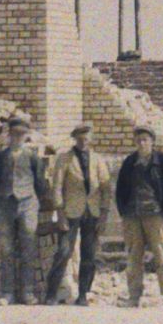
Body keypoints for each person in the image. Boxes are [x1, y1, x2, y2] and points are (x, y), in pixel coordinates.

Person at [113, 123, 163, 310]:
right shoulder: (130, 162)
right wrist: (124, 213)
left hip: (155, 216)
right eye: (138, 140)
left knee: (162, 257)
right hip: (133, 216)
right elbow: (120, 190)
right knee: (134, 258)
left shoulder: (162, 161)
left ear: (152, 142)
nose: (142, 143)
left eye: (145, 140)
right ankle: (134, 297)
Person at [46, 121, 112, 306]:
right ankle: (51, 293)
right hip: (70, 212)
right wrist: (60, 213)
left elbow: (106, 189)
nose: (83, 142)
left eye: (86, 139)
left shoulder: (98, 160)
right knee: (63, 252)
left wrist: (104, 214)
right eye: (80, 139)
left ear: (91, 140)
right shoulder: (64, 159)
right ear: (75, 139)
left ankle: (83, 294)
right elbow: (57, 187)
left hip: (92, 212)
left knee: (89, 254)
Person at [0, 113, 50, 305]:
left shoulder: (32, 157)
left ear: (26, 136)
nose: (17, 138)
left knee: (28, 247)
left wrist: (33, 200)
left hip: (27, 203)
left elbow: (40, 183)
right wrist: (2, 195)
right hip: (5, 203)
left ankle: (27, 292)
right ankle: (7, 292)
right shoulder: (0, 157)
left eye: (21, 134)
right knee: (6, 249)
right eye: (14, 134)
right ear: (9, 135)